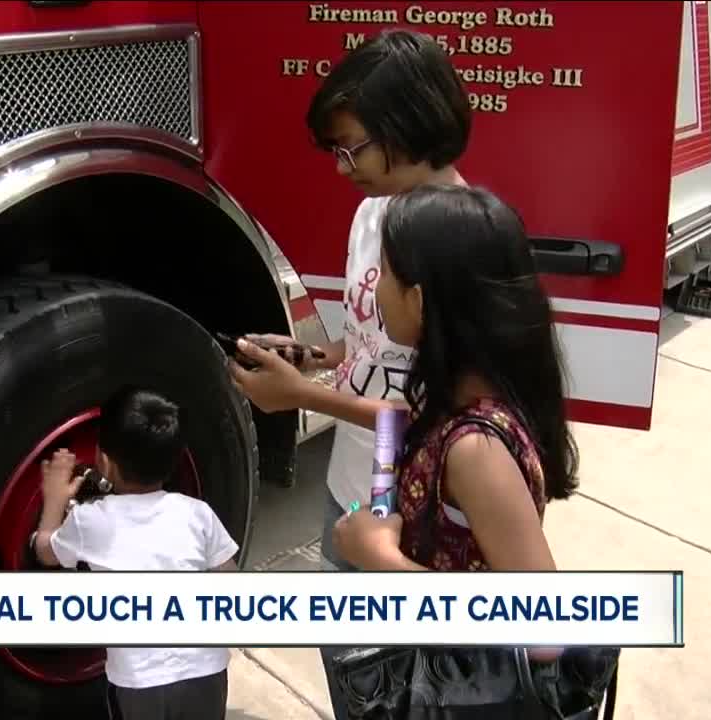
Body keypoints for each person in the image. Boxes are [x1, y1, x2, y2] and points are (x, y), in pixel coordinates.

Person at [225, 28, 471, 720]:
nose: (341, 167)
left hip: (418, 510)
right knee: (354, 669)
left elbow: (448, 423)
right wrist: (315, 358)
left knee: (406, 683)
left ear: (409, 125)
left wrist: (302, 398)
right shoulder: (371, 214)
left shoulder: (461, 239)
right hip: (351, 484)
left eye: (352, 147)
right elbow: (364, 340)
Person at [329, 184, 578, 667]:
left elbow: (546, 634)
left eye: (385, 271)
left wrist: (381, 559)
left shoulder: (476, 451)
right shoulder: (460, 395)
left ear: (419, 301)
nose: (374, 285)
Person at [31, 387, 239, 720]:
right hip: (207, 672)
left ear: (105, 463)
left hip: (140, 683)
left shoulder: (90, 521)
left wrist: (54, 498)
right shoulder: (197, 513)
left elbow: (45, 551)